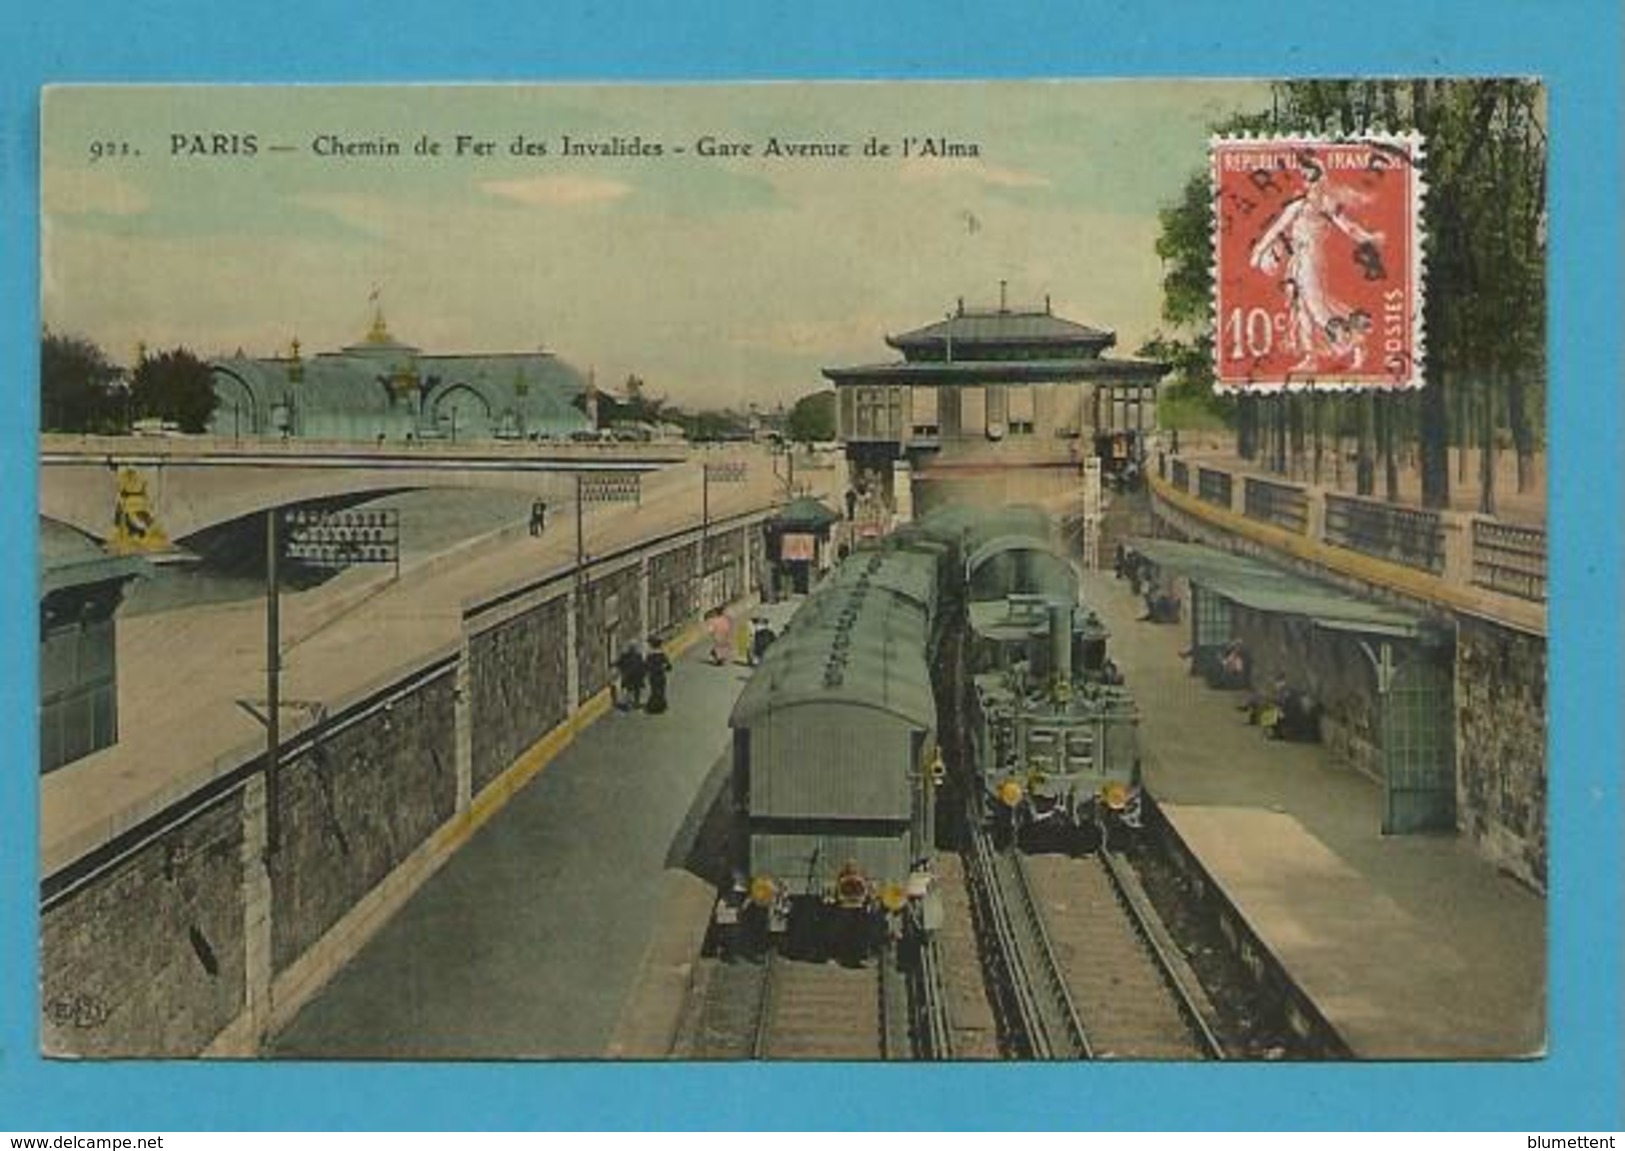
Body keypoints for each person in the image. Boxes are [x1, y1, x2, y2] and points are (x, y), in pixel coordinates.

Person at [644, 637, 673, 714]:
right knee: (662, 690)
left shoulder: (649, 655)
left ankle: (653, 706)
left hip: (653, 675)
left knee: (654, 690)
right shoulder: (662, 654)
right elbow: (669, 666)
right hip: (661, 674)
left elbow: (646, 666)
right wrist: (665, 668)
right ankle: (661, 706)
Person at [614, 641, 646, 711]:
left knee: (629, 689)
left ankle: (629, 703)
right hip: (635, 677)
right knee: (635, 689)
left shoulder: (625, 656)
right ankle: (635, 702)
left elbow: (619, 663)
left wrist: (614, 665)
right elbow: (642, 666)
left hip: (629, 677)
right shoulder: (638, 656)